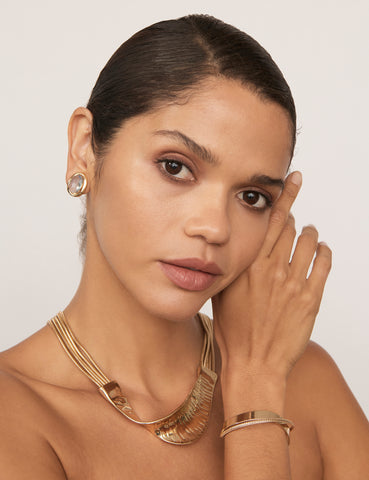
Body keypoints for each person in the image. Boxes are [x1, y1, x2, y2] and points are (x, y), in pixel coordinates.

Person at [0, 13, 368, 479]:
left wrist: (258, 381)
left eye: (252, 197)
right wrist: (256, 403)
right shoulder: (15, 413)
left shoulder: (307, 383)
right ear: (84, 148)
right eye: (175, 167)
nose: (214, 228)